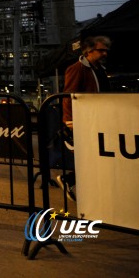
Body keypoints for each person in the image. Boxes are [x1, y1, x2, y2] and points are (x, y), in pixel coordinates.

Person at [57, 35, 112, 200]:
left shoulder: (99, 69)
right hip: (86, 120)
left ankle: (76, 182)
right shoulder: (77, 68)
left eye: (106, 51)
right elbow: (68, 95)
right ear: (89, 51)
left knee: (97, 153)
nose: (104, 54)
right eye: (101, 50)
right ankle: (70, 180)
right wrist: (69, 120)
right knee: (92, 153)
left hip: (98, 119)